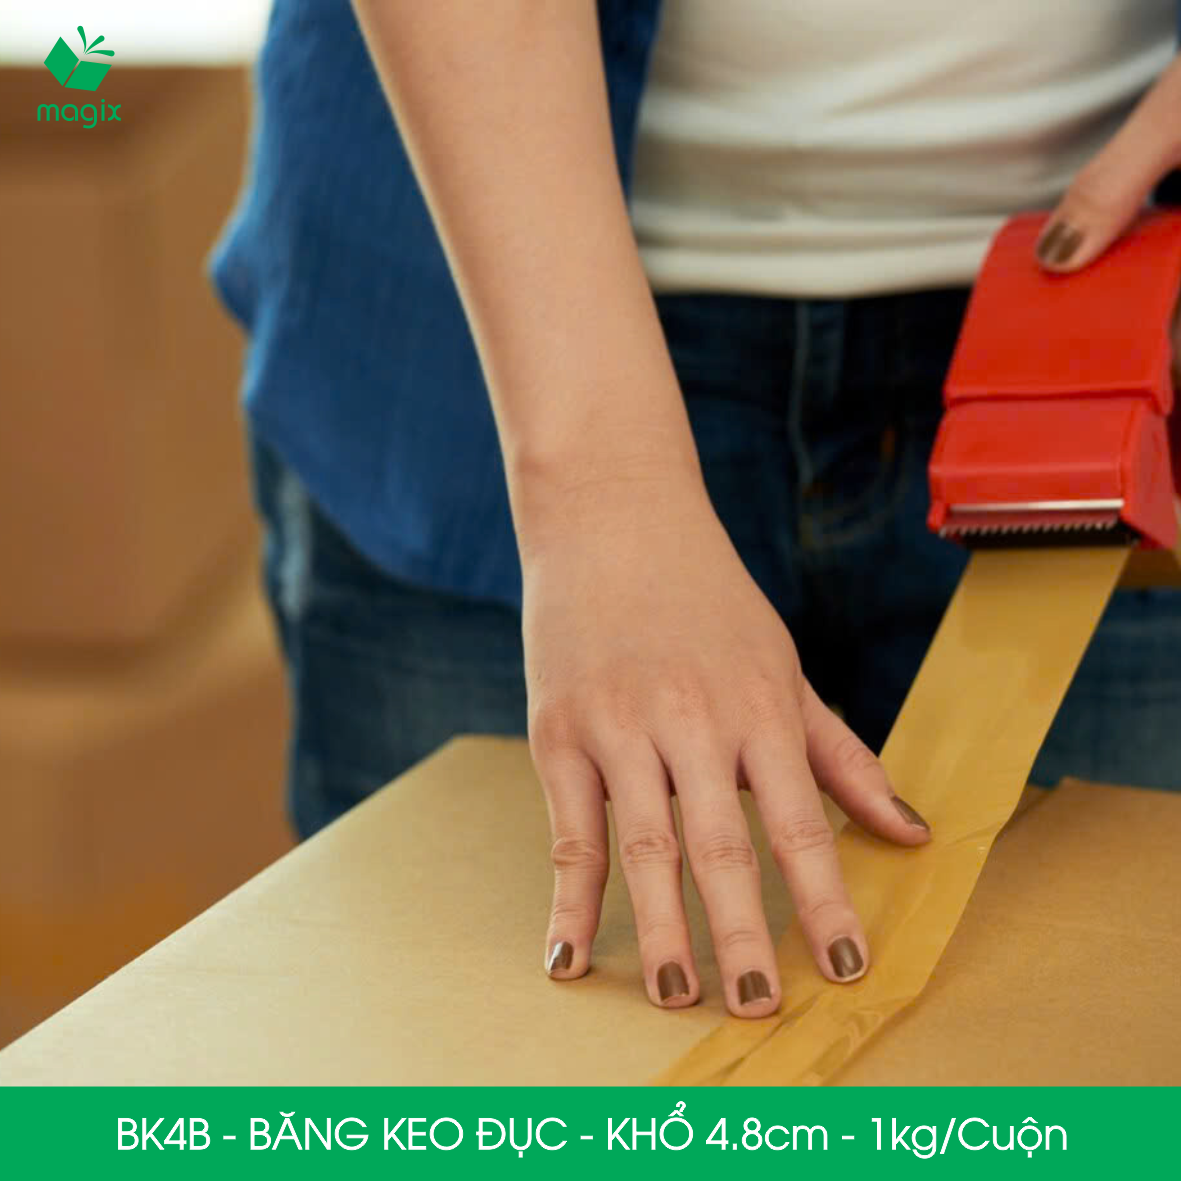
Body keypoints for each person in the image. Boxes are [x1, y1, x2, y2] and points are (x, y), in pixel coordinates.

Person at [210, 0, 1181, 1018]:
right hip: (485, 315)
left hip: (1111, 325)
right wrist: (595, 490)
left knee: (1083, 1046)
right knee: (476, 1061)